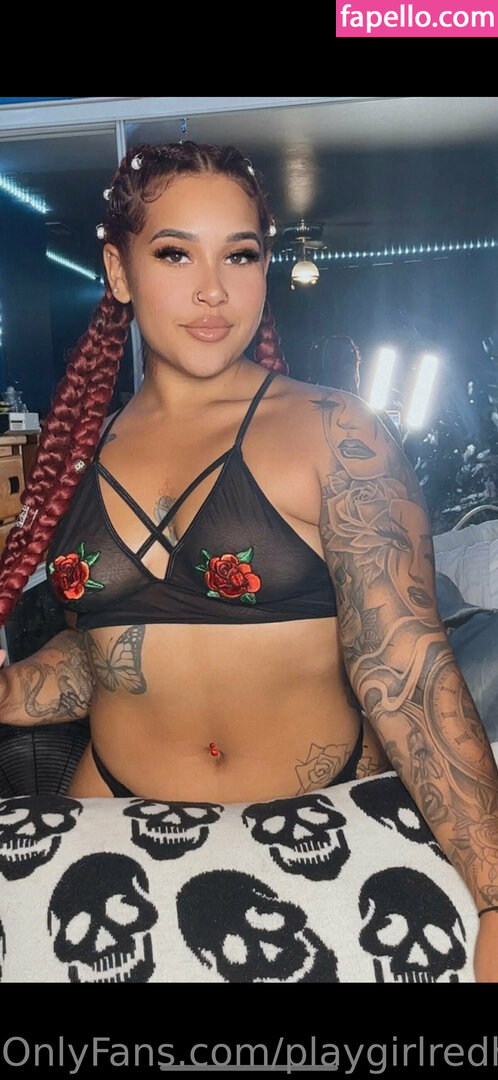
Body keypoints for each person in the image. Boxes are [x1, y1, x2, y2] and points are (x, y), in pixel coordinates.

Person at [0, 141, 496, 983]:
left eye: (239, 255)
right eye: (174, 253)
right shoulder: (81, 449)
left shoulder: (335, 434)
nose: (212, 290)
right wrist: (12, 690)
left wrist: (493, 895)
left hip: (314, 824)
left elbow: (406, 669)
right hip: (115, 817)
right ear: (118, 272)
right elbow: (104, 655)